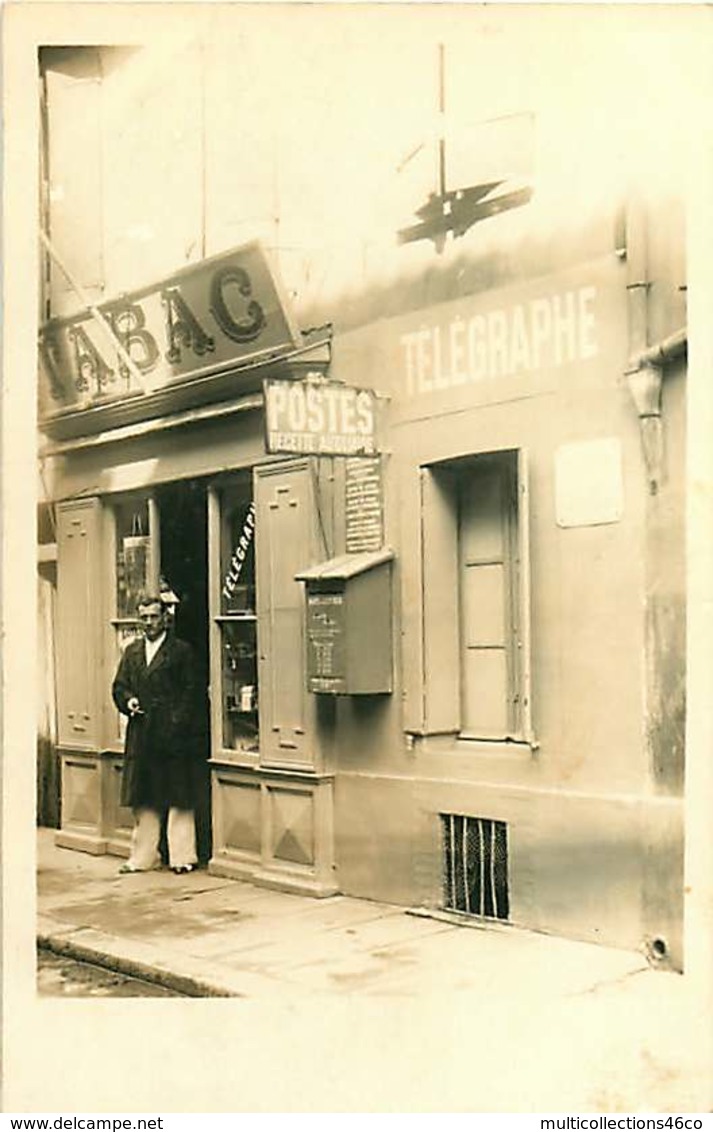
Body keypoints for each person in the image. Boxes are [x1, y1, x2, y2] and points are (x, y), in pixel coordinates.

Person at [112, 593, 199, 875]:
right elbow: (119, 686)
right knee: (145, 797)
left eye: (154, 616)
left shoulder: (181, 651)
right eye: (144, 617)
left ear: (165, 619)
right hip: (142, 733)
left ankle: (182, 857)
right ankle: (143, 857)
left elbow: (192, 692)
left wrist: (177, 722)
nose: (149, 622)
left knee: (178, 796)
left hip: (173, 735)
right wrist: (129, 701)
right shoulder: (132, 652)